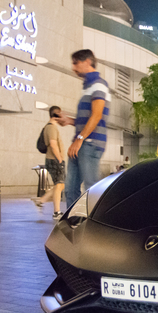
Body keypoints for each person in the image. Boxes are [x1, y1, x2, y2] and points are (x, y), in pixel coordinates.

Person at [58, 49, 110, 208]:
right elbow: (89, 117)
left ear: (87, 61)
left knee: (91, 187)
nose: (73, 67)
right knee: (70, 188)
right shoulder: (88, 87)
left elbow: (97, 116)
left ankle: (94, 226)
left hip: (90, 143)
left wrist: (80, 139)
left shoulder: (99, 85)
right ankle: (74, 223)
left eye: (76, 62)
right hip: (81, 143)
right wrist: (70, 121)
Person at [33, 106, 66, 219]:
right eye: (60, 114)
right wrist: (59, 158)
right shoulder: (51, 128)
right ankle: (57, 212)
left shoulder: (51, 127)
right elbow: (53, 144)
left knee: (60, 185)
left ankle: (41, 201)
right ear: (56, 114)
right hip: (54, 159)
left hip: (53, 159)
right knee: (59, 184)